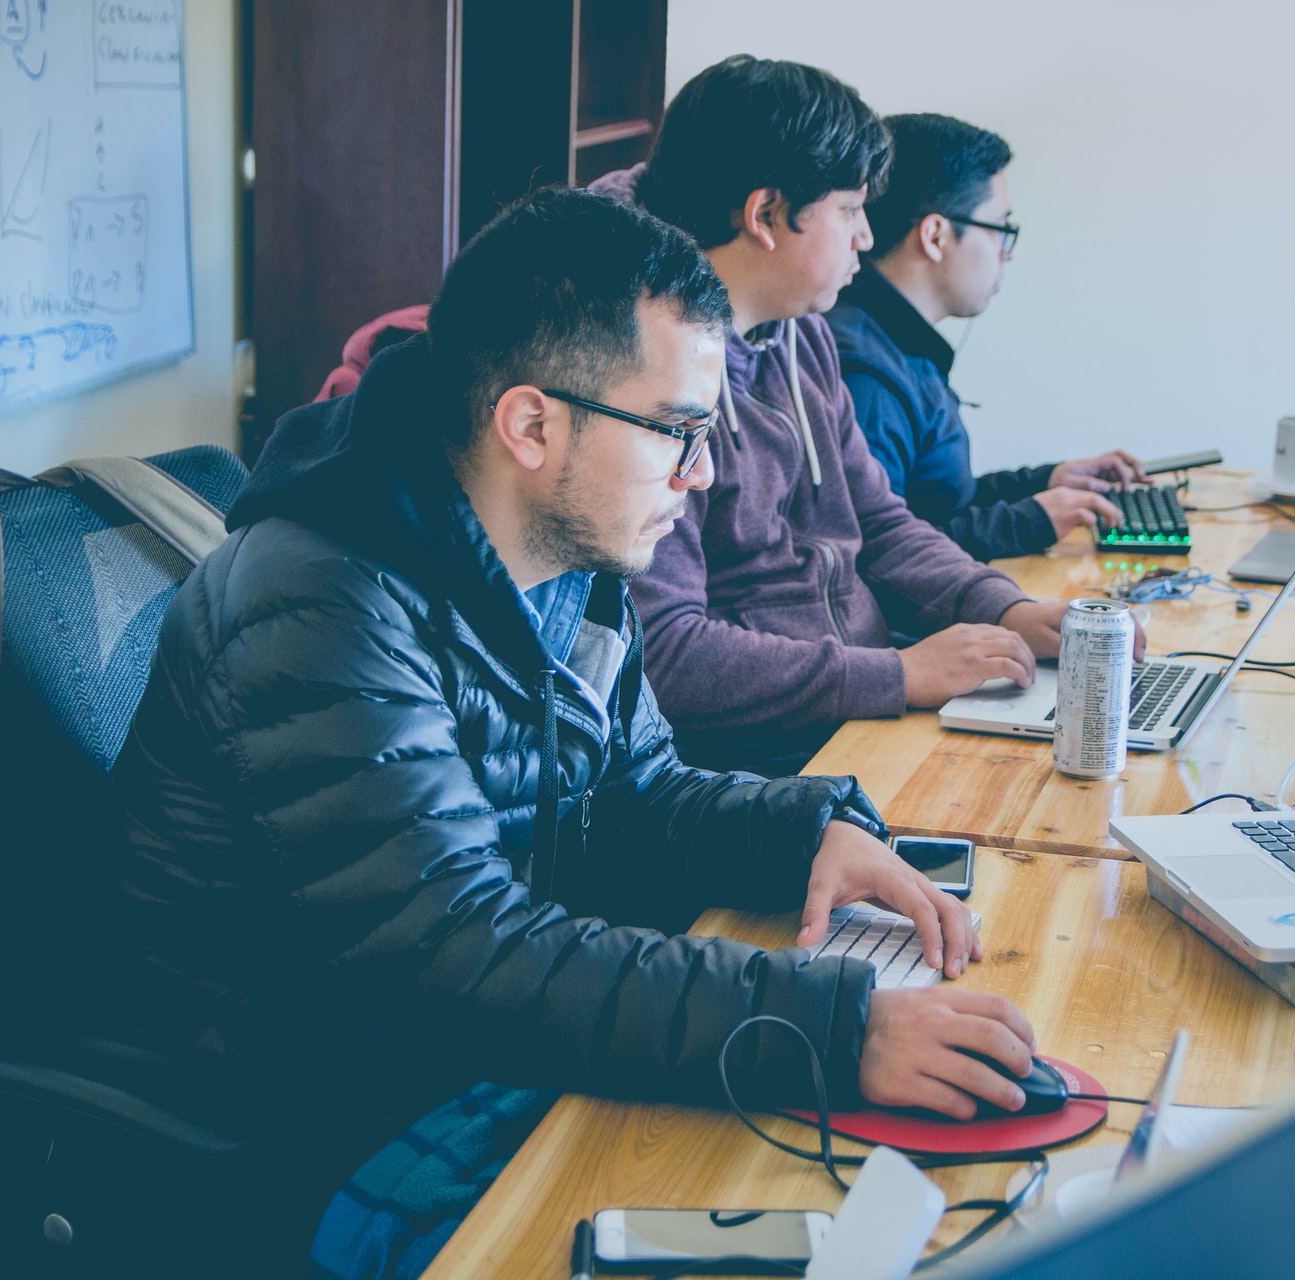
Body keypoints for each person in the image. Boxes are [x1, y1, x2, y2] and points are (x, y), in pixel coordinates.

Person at [102, 187, 1037, 1267]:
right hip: (307, 1117)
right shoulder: (318, 599)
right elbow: (458, 950)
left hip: (468, 1051)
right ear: (531, 423)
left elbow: (636, 787)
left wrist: (804, 828)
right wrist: (832, 1026)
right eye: (679, 431)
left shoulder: (567, 551)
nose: (703, 473)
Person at [592, 56, 1132, 777]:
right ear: (766, 216)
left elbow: (878, 520)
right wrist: (897, 675)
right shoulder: (644, 384)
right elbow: (668, 651)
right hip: (763, 761)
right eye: (849, 211)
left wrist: (1003, 607)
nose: (867, 237)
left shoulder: (801, 331)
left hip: (860, 713)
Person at [827, 113, 1145, 562]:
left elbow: (935, 502)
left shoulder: (900, 343)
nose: (1006, 255)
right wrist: (1029, 521)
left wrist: (1047, 481)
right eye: (1002, 230)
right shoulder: (865, 375)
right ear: (935, 235)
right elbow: (878, 556)